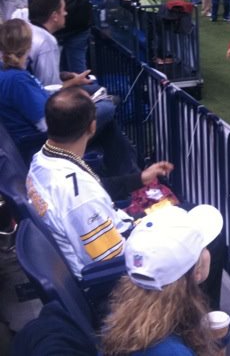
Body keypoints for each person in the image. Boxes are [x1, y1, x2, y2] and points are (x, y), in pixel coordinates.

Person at [26, 87, 173, 278]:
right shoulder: (81, 198)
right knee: (202, 236)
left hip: (112, 240)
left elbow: (92, 189)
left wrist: (140, 178)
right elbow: (112, 261)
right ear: (92, 126)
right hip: (117, 274)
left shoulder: (41, 159)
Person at [101, 205, 223, 356]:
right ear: (196, 272)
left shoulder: (117, 321)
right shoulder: (174, 352)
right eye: (204, 247)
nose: (207, 251)